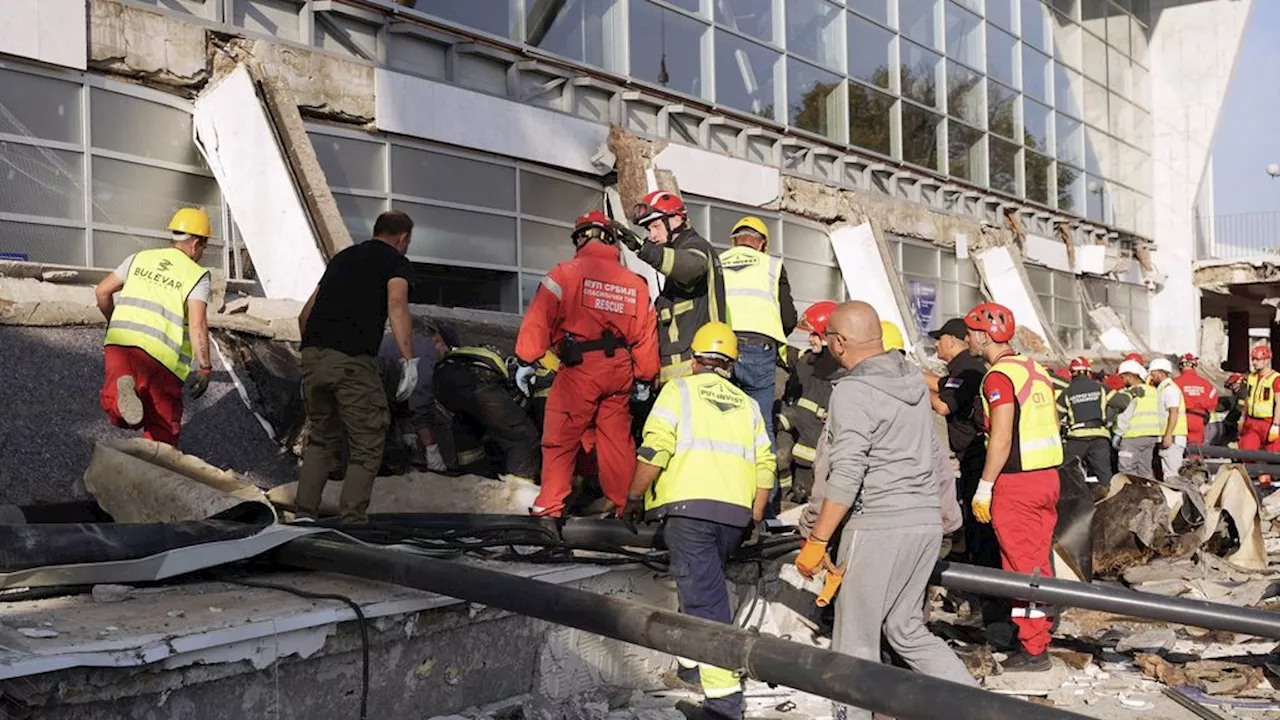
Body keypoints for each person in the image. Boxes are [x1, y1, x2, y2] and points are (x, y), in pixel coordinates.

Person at [796, 302, 976, 720]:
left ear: (839, 343)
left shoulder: (854, 392)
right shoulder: (913, 379)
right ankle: (982, 711)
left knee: (853, 643)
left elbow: (845, 474)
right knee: (905, 629)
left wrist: (818, 538)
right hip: (924, 524)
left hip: (877, 526)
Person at [621, 322, 775, 720]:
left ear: (694, 361)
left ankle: (724, 705)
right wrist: (755, 518)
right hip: (733, 517)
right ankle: (692, 669)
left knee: (706, 604)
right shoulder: (748, 405)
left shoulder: (678, 390)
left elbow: (655, 447)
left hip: (690, 514)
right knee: (699, 590)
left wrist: (634, 497)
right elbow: (765, 465)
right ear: (731, 365)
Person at [516, 211, 659, 517]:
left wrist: (527, 357)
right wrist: (645, 377)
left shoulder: (564, 274)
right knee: (617, 444)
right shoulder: (636, 283)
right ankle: (625, 509)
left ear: (580, 238)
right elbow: (646, 336)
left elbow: (538, 322)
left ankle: (549, 509)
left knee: (560, 439)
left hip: (580, 368)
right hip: (620, 372)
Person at [295, 210, 418, 525]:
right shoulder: (394, 262)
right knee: (368, 441)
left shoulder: (342, 258)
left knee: (322, 438)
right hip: (351, 361)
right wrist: (408, 359)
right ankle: (352, 522)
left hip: (313, 356)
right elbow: (397, 304)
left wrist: (313, 353)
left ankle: (303, 516)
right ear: (403, 238)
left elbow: (304, 314)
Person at [965, 302, 1062, 672]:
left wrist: (984, 487)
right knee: (1038, 560)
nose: (968, 338)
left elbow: (1001, 438)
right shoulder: (1034, 369)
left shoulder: (997, 377)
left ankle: (1034, 649)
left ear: (984, 335)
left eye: (971, 331)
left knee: (1021, 568)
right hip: (1047, 478)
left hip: (1017, 483)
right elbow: (1052, 420)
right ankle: (1043, 629)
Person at [94, 208, 215, 445]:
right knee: (163, 427)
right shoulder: (197, 275)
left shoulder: (139, 258)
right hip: (160, 358)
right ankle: (156, 469)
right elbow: (198, 325)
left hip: (120, 344)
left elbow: (102, 291)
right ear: (196, 243)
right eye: (204, 247)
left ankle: (123, 397)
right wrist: (205, 367)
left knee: (118, 410)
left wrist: (114, 322)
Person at [619, 191, 726, 385]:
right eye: (648, 229)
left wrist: (644, 250)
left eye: (656, 226)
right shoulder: (676, 252)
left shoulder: (696, 246)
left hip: (698, 373)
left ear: (676, 219)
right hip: (681, 377)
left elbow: (692, 268)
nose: (652, 235)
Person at [718, 216, 797, 442]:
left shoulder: (717, 262)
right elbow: (789, 318)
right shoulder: (772, 265)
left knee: (725, 423)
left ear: (734, 242)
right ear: (762, 243)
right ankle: (763, 477)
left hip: (723, 349)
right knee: (761, 425)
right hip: (759, 350)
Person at [923, 317, 991, 566]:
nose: (936, 346)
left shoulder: (966, 369)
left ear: (951, 340)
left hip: (976, 454)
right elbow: (941, 386)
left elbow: (943, 404)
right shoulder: (961, 369)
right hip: (971, 454)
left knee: (978, 527)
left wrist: (912, 384)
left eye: (939, 340)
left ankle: (985, 583)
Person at [435, 342, 541, 484]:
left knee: (468, 424)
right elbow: (519, 409)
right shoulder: (532, 375)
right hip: (479, 380)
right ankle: (519, 492)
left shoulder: (501, 356)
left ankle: (474, 479)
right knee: (523, 438)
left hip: (442, 378)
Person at [776, 300, 840, 503]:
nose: (810, 339)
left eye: (814, 334)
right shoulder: (804, 364)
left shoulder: (844, 373)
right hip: (799, 460)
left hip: (826, 467)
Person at [375, 317, 450, 474]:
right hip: (370, 388)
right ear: (437, 340)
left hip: (373, 381)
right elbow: (419, 399)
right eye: (446, 351)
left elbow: (401, 395)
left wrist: (408, 434)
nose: (443, 357)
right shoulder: (426, 349)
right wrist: (431, 448)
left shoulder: (411, 340)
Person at [1058, 356, 1114, 486]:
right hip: (1099, 437)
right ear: (1088, 372)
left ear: (1072, 373)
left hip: (1077, 439)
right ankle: (1111, 498)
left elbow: (1057, 416)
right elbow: (1122, 402)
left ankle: (1074, 501)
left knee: (1067, 472)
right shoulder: (1100, 388)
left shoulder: (1067, 392)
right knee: (1105, 474)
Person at [1113, 359, 1161, 480]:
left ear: (1129, 376)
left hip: (1132, 437)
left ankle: (1131, 497)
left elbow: (1125, 415)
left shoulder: (1129, 393)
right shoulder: (1154, 392)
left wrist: (1118, 433)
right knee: (1145, 471)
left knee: (1126, 472)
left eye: (1123, 377)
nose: (1123, 381)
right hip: (1151, 437)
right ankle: (1149, 495)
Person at [1148, 358, 1187, 478]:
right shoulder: (1163, 389)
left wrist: (1168, 435)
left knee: (1172, 475)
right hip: (1170, 436)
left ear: (1160, 373)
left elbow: (1173, 412)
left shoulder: (1169, 389)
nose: (1151, 378)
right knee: (1168, 474)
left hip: (1173, 437)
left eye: (1153, 374)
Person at [1240, 345, 1280, 452]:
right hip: (1252, 422)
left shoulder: (1275, 379)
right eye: (1253, 359)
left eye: (1257, 359)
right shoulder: (1251, 378)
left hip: (1268, 422)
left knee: (1273, 456)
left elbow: (1279, 404)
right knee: (1246, 452)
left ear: (1266, 360)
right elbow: (1247, 399)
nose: (1254, 362)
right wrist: (1242, 417)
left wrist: (1276, 424)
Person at [1174, 353, 1218, 448]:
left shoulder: (1175, 382)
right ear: (1195, 366)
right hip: (1199, 419)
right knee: (1195, 450)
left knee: (1177, 449)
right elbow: (1213, 401)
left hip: (1180, 419)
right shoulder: (1206, 384)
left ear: (1181, 366)